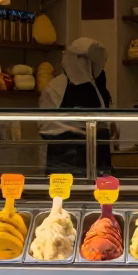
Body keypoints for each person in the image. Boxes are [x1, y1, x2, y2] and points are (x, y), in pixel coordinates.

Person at [39, 37, 112, 175]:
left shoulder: (98, 87)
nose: (84, 65)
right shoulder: (55, 87)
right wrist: (74, 130)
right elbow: (45, 127)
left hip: (98, 161)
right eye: (82, 60)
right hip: (64, 162)